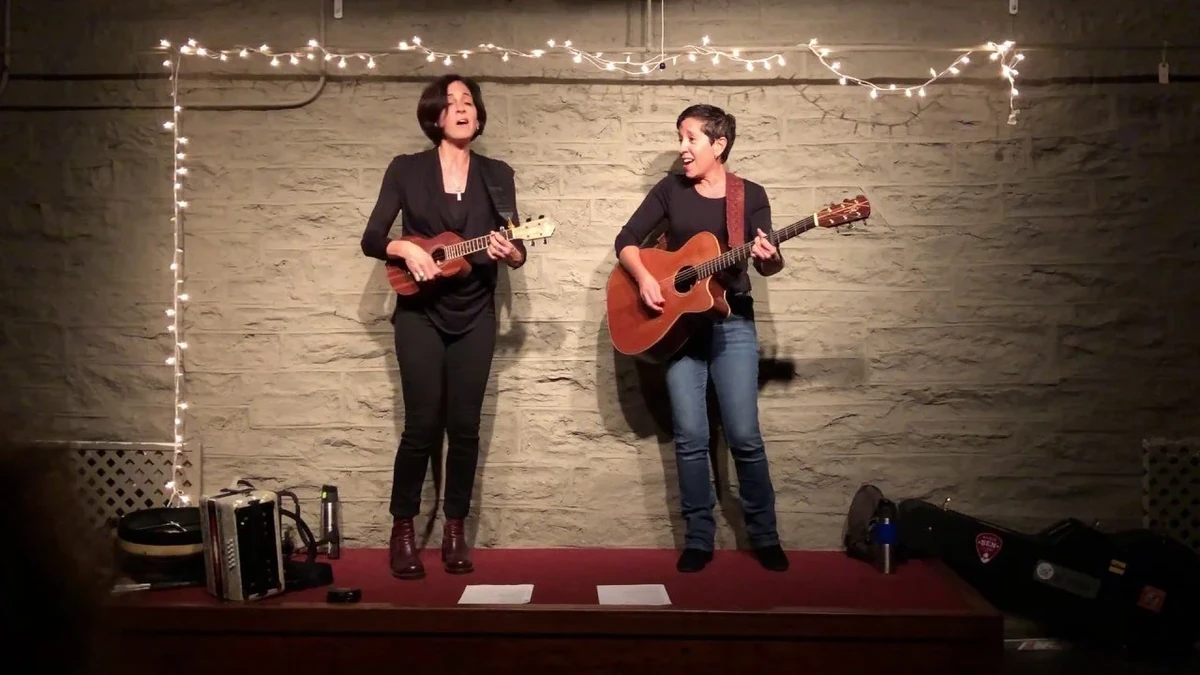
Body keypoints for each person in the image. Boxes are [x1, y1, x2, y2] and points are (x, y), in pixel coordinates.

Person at [360, 74, 526, 579]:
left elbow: (517, 246)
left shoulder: (497, 174)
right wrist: (405, 247)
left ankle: (456, 529)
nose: (461, 108)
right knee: (421, 425)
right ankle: (403, 530)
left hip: (475, 312)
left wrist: (511, 251)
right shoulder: (406, 169)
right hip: (419, 314)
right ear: (435, 115)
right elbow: (372, 237)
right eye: (451, 102)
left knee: (465, 427)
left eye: (468, 101)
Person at [613, 104, 788, 573]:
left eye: (691, 138)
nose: (682, 148)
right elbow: (626, 240)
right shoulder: (670, 190)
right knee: (690, 436)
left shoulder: (750, 195)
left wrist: (770, 258)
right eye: (680, 138)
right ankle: (698, 538)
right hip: (679, 329)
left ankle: (765, 536)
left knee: (744, 435)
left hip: (733, 322)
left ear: (719, 144)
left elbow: (767, 262)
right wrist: (645, 279)